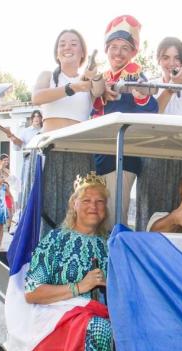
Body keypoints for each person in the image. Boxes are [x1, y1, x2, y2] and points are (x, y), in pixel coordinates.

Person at [24, 172, 110, 351]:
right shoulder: (55, 241)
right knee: (100, 331)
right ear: (74, 204)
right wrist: (81, 286)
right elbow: (32, 293)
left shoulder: (109, 245)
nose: (93, 206)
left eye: (100, 201)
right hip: (55, 317)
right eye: (86, 200)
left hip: (96, 312)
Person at [31, 29, 106, 230]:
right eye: (62, 43)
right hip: (51, 150)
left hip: (79, 152)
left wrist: (91, 76)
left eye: (74, 43)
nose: (67, 47)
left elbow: (99, 90)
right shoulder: (48, 76)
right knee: (48, 210)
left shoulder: (88, 80)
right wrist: (72, 88)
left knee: (80, 210)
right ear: (56, 52)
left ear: (83, 52)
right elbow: (37, 97)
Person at [91, 15, 158, 228]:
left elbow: (151, 109)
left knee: (112, 217)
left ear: (132, 52)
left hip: (122, 155)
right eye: (114, 47)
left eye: (124, 48)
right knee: (96, 215)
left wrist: (140, 93)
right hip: (99, 155)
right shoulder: (103, 77)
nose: (118, 52)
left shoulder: (135, 76)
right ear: (106, 49)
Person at [136, 36, 182, 231]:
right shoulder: (151, 86)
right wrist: (170, 88)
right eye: (166, 57)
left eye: (176, 58)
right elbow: (153, 113)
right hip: (154, 156)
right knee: (152, 212)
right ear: (158, 60)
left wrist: (180, 79)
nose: (171, 63)